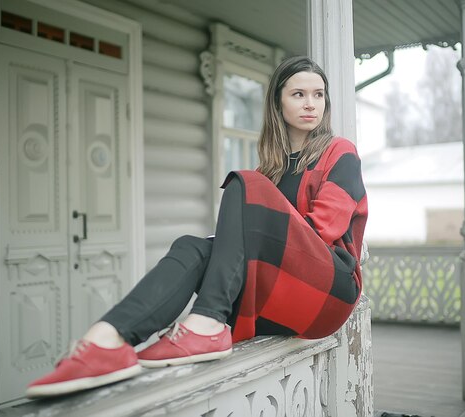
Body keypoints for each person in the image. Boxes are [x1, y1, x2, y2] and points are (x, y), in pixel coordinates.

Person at [26, 56, 368, 398]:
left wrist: (244, 239)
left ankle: (207, 320)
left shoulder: (339, 151)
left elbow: (321, 230)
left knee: (242, 183)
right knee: (193, 246)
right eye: (298, 94)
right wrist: (223, 251)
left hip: (329, 290)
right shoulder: (271, 171)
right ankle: (108, 340)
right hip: (283, 292)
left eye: (318, 95)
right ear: (277, 103)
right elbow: (258, 246)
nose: (311, 104)